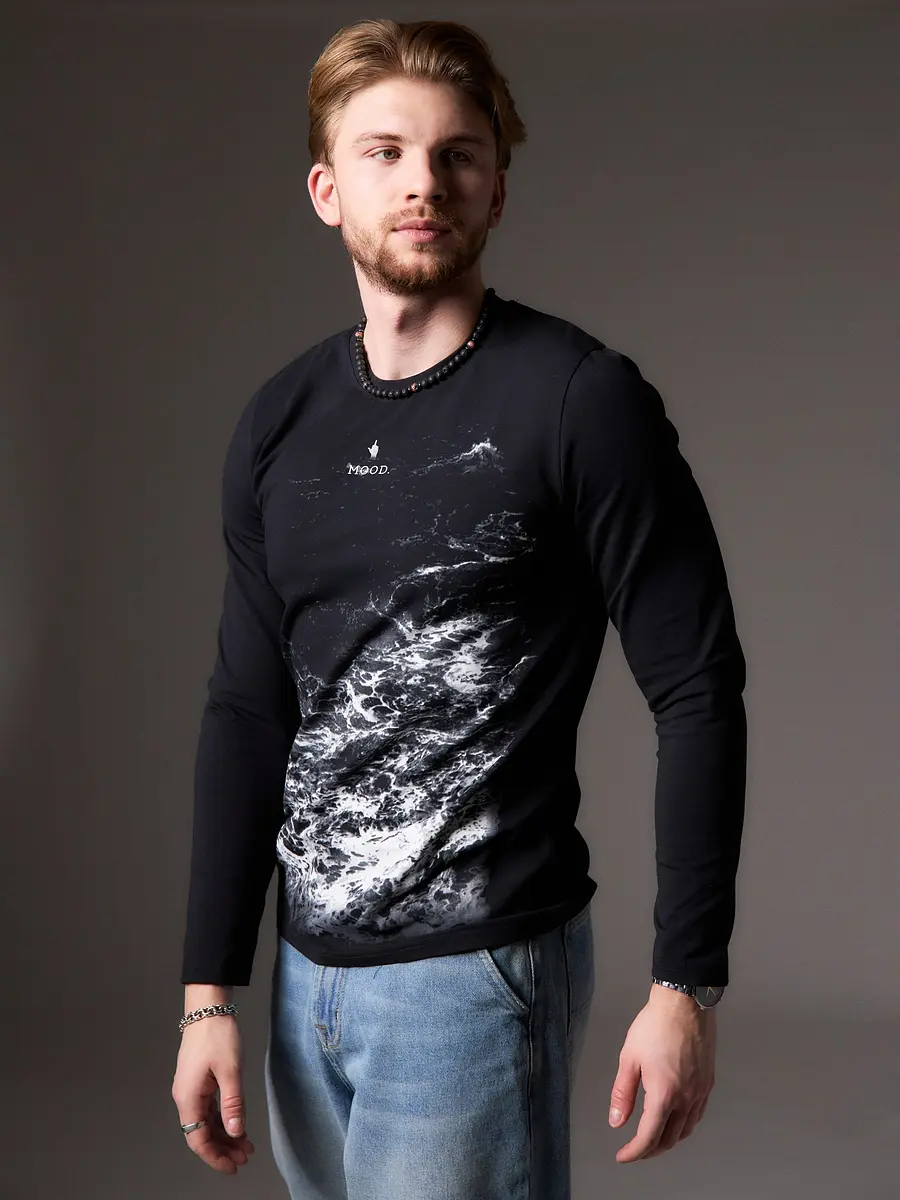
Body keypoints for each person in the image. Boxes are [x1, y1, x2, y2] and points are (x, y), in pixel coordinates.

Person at [171, 17, 747, 1199]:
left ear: (496, 189)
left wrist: (685, 985)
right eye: (385, 153)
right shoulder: (278, 423)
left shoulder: (579, 401)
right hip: (304, 986)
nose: (423, 182)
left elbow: (697, 689)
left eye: (457, 154)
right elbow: (248, 709)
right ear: (328, 190)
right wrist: (208, 995)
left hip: (474, 983)